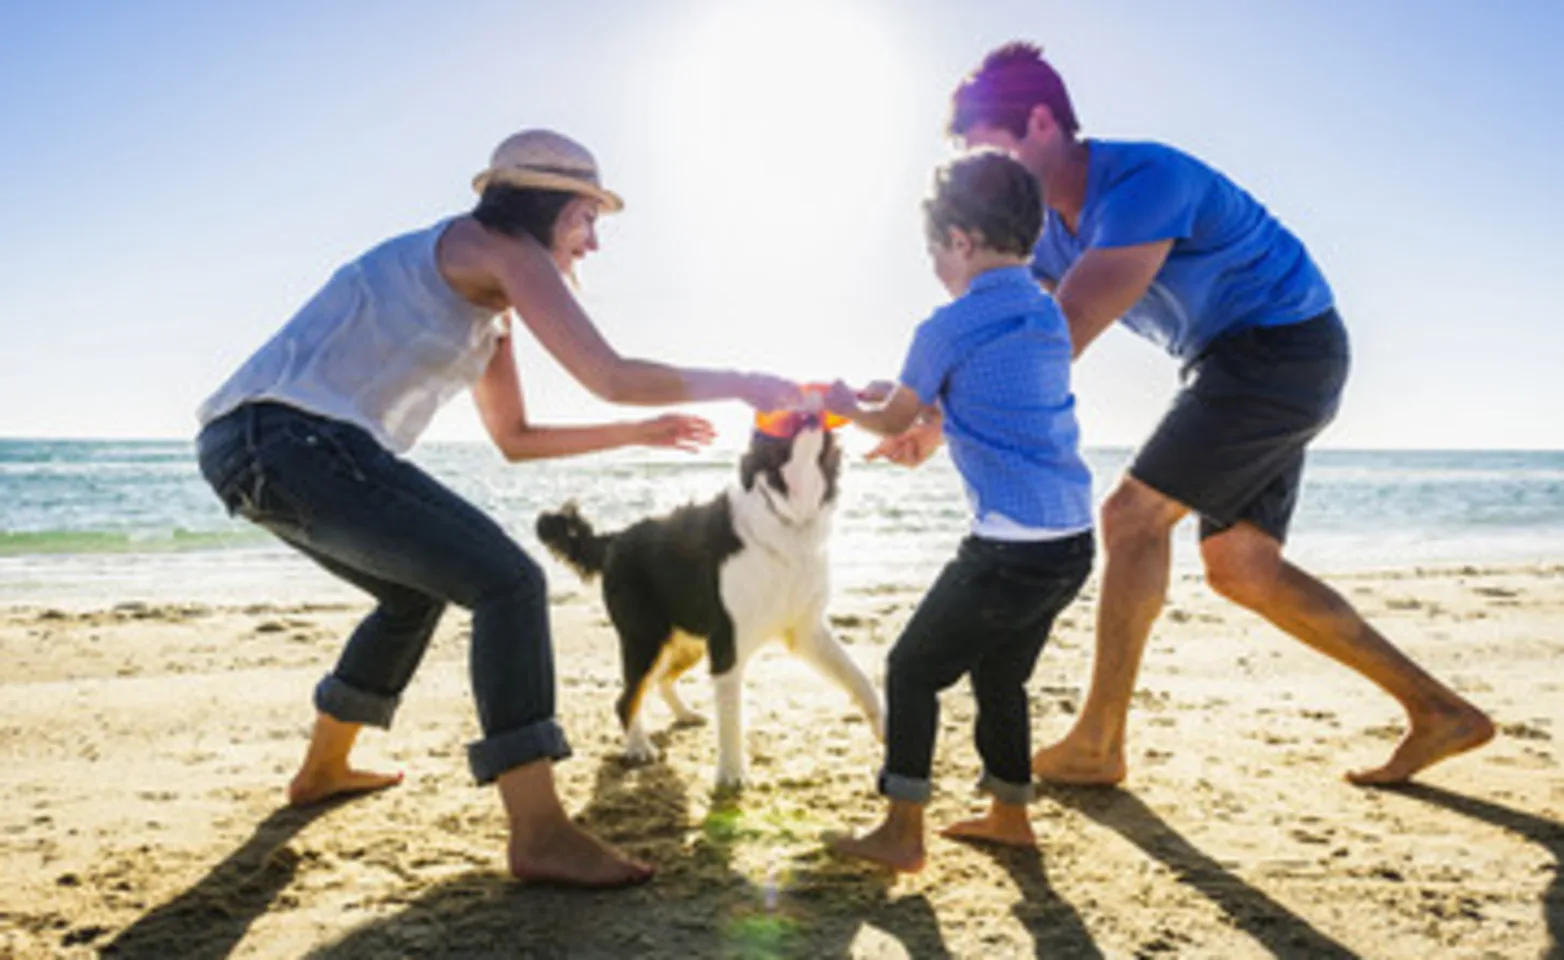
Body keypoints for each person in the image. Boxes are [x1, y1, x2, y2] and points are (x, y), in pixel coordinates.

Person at [194, 129, 800, 887]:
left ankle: (324, 767)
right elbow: (607, 372)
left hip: (248, 447)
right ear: (543, 203)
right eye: (587, 217)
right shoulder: (501, 247)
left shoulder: (485, 295)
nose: (594, 242)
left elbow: (514, 438)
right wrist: (745, 380)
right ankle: (540, 831)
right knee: (507, 582)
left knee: (413, 595)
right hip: (293, 439)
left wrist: (638, 432)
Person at [879, 41, 1492, 787]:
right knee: (1243, 568)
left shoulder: (1144, 180)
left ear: (1040, 122)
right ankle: (1440, 713)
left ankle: (1098, 744)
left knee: (1131, 517)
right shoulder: (1041, 236)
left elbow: (1049, 343)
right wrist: (928, 420)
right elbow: (1005, 335)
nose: (988, 178)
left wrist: (931, 415)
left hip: (1280, 349)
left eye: (990, 152)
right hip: (1236, 361)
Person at [822, 151, 1095, 871]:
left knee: (912, 669)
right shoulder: (1046, 312)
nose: (937, 268)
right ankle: (1010, 814)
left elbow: (893, 419)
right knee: (1001, 676)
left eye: (935, 252)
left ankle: (901, 831)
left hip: (1008, 549)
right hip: (1070, 538)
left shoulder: (946, 325)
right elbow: (997, 397)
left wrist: (844, 405)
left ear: (962, 240)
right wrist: (917, 404)